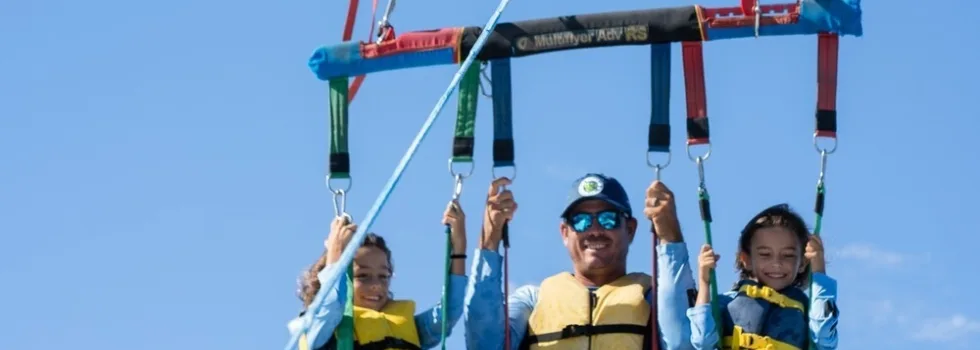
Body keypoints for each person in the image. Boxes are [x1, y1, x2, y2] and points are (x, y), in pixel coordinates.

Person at [464, 174, 697, 350]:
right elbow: (484, 343)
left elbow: (681, 341)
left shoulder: (652, 297)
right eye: (581, 221)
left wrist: (669, 236)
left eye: (608, 219)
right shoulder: (532, 300)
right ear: (565, 233)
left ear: (631, 229)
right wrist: (490, 237)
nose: (594, 230)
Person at [287, 200, 471, 350]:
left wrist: (459, 248)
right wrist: (336, 254)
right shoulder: (318, 330)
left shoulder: (410, 326)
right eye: (363, 276)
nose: (377, 285)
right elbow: (331, 307)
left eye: (383, 276)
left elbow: (450, 310)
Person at [688, 204, 839, 350]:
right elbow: (702, 341)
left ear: (802, 263)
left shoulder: (807, 311)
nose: (777, 264)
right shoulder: (727, 303)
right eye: (765, 255)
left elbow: (824, 338)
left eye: (788, 256)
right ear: (746, 260)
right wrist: (704, 283)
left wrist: (818, 269)